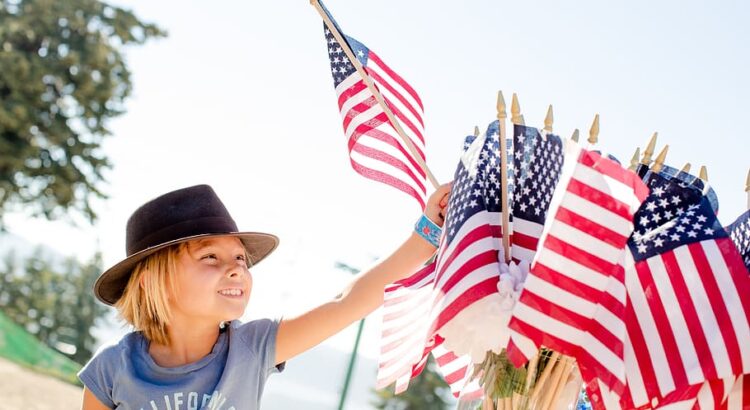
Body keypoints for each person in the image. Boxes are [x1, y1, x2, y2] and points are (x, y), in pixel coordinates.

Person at [79, 183, 451, 409]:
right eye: (210, 256)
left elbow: (347, 303)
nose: (237, 268)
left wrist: (428, 232)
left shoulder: (253, 348)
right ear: (149, 281)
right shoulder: (111, 368)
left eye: (240, 258)